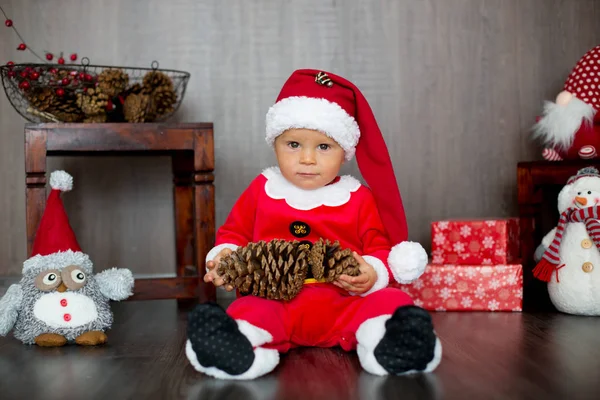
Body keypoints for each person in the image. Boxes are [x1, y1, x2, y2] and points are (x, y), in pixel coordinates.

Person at [185, 69, 442, 380]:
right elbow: (234, 233)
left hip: (343, 302)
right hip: (275, 301)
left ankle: (393, 343)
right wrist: (226, 256)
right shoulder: (262, 188)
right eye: (293, 144)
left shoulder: (358, 197)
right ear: (275, 143)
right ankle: (235, 345)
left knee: (391, 301)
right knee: (249, 310)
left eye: (323, 147)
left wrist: (371, 271)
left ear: (345, 152)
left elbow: (378, 244)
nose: (307, 159)